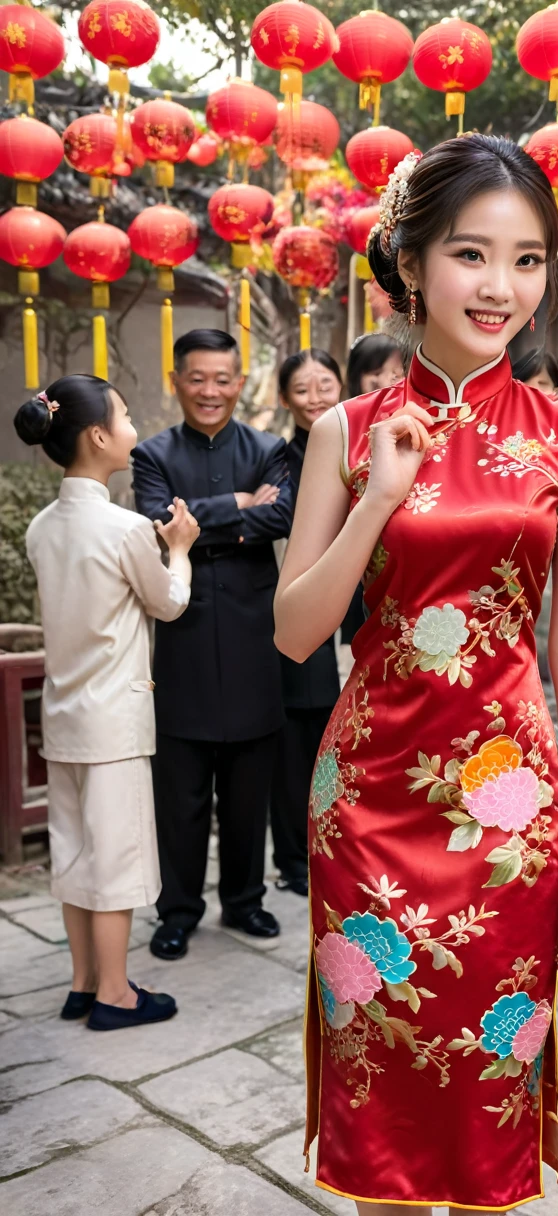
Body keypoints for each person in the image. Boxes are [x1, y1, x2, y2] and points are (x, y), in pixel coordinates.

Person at [274, 134, 558, 1211]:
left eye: (527, 260)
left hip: (507, 816)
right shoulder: (346, 427)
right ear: (413, 260)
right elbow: (294, 633)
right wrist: (377, 494)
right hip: (370, 798)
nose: (500, 287)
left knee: (485, 1090)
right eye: (472, 254)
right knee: (379, 1095)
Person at [16, 375, 199, 1029]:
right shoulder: (124, 528)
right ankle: (116, 994)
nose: (131, 428)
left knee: (73, 852)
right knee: (116, 854)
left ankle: (83, 981)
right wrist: (178, 549)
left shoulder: (43, 527)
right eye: (123, 416)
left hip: (63, 714)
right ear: (97, 437)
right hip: (114, 720)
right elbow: (169, 603)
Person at [132, 329, 294, 960]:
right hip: (185, 638)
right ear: (177, 380)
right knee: (181, 789)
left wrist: (197, 528)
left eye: (223, 379)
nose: (210, 391)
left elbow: (280, 519)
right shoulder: (151, 455)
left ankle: (246, 900)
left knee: (250, 784)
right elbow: (156, 527)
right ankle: (177, 910)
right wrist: (235, 503)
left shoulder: (269, 447)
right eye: (197, 378)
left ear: (238, 381)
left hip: (256, 636)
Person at [271, 349, 345, 897]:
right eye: (303, 389)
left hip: (363, 606)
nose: (316, 397)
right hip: (305, 603)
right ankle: (295, 857)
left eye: (325, 384)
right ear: (285, 399)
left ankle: (338, 842)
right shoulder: (279, 459)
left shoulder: (368, 441)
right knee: (300, 737)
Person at [345, 332, 404, 399]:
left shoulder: (411, 407)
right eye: (377, 373)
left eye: (396, 376)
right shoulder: (343, 408)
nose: (385, 383)